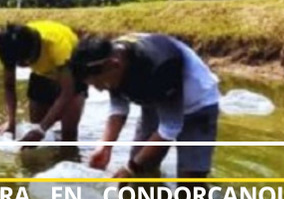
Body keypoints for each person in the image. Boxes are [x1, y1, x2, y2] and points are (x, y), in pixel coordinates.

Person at [69, 34, 221, 179]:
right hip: (153, 100)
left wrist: (130, 168)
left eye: (99, 84)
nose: (100, 89)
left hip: (197, 104)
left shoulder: (161, 65)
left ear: (115, 65)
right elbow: (119, 108)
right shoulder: (109, 58)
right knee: (141, 172)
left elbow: (170, 127)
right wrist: (105, 146)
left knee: (190, 184)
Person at [0, 21, 86, 142]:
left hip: (74, 72)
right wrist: (11, 121)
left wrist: (41, 130)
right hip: (41, 73)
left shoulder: (58, 46)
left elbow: (67, 92)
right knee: (35, 123)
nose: (21, 66)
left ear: (34, 49)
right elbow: (9, 85)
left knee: (68, 134)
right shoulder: (10, 46)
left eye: (23, 62)